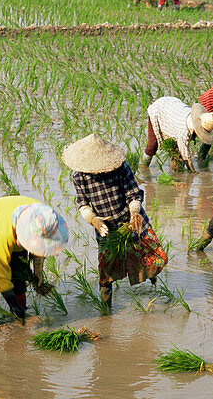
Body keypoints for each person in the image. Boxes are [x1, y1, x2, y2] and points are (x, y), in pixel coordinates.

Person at [62, 133, 167, 313]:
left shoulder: (119, 167)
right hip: (106, 227)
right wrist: (93, 219)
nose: (97, 172)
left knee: (151, 256)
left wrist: (134, 211)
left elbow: (133, 192)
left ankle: (152, 281)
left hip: (131, 220)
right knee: (106, 270)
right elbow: (82, 202)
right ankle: (106, 311)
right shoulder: (79, 177)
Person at [0, 196, 67, 327]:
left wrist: (38, 271)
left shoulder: (45, 218)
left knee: (19, 277)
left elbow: (42, 245)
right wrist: (13, 303)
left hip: (18, 225)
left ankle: (20, 320)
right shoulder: (3, 233)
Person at [143, 97, 213, 170]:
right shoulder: (185, 130)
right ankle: (143, 167)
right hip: (160, 109)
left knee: (176, 150)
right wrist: (192, 171)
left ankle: (175, 170)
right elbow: (186, 156)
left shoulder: (196, 120)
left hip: (172, 111)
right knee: (152, 145)